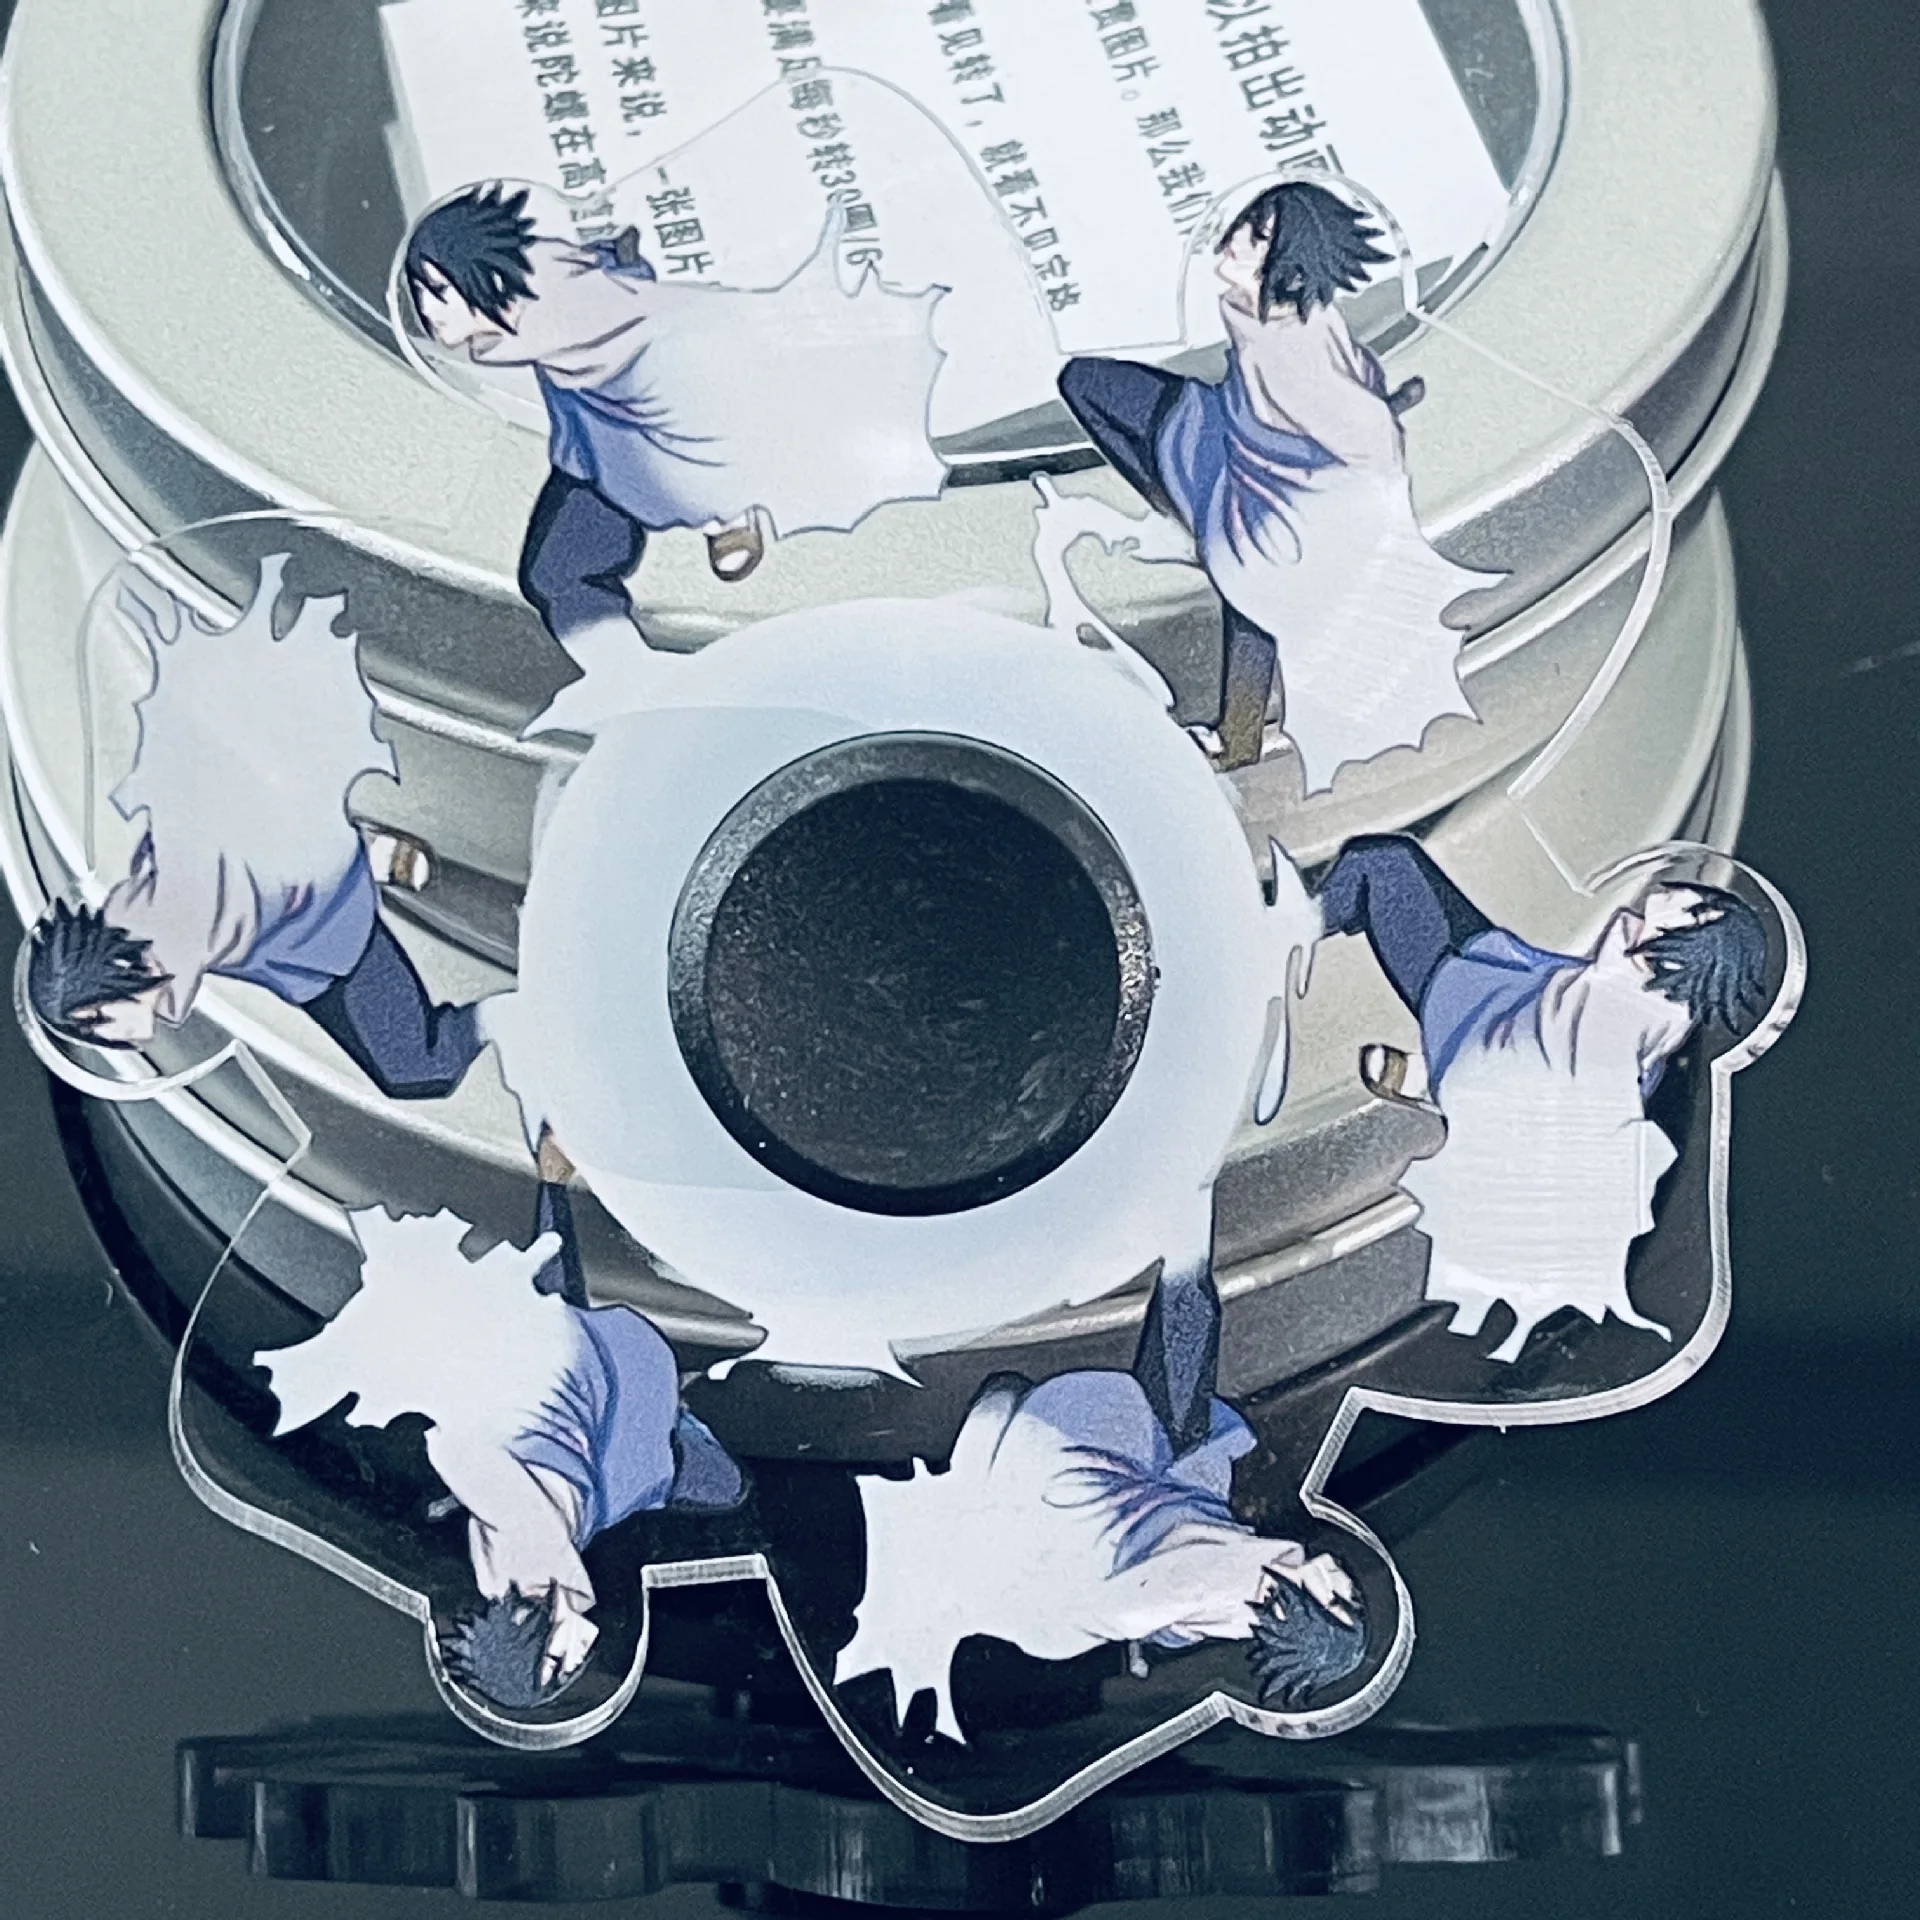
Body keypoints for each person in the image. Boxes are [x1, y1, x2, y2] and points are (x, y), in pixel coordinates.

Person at [1057, 182, 1500, 785]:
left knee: (1255, 586)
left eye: (1258, 235)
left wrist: (1361, 492)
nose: (1234, 240)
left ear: (1289, 261)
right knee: (1088, 383)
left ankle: (1238, 740)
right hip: (1222, 438)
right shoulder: (1280, 317)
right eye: (1244, 224)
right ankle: (1194, 525)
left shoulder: (1292, 348)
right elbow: (1358, 374)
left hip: (1280, 500)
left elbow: (1368, 433)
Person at [833, 1257, 1369, 1744]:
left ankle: (1184, 1249)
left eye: (1344, 1601)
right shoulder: (1261, 1585)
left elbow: (1127, 1608)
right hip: (1141, 1498)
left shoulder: (1234, 1585)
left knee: (1177, 1384)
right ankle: (1184, 1256)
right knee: (1182, 1406)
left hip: (1081, 1511)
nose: (1346, 1583)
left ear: (1309, 1617)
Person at [402, 184, 947, 662]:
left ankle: (723, 523)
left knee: (620, 532)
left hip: (662, 432)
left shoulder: (552, 309)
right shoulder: (530, 283)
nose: (429, 311)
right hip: (596, 446)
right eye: (423, 294)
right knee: (556, 572)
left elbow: (560, 321)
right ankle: (620, 672)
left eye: (438, 293)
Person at [254, 1193, 745, 1711]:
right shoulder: (532, 1583)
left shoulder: (524, 1558)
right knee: (715, 1482)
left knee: (575, 1331)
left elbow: (455, 1453)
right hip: (598, 1473)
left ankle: (557, 1194)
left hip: (575, 1413)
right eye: (565, 1675)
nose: (576, 1660)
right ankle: (677, 1403)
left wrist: (489, 1482)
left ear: (528, 1630)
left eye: (558, 1664)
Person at [23, 557, 484, 1104]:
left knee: (418, 1068)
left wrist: (346, 853)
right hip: (299, 960)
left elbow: (233, 847)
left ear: (103, 997)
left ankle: (512, 1018)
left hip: (327, 932)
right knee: (411, 1068)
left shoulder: (176, 928)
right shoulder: (148, 935)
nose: (120, 1039)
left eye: (102, 1025)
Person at [1312, 833, 1770, 1360]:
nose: (1666, 900)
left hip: (1470, 1007)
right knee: (1393, 871)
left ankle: (1276, 936)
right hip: (1502, 982)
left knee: (1383, 867)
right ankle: (1427, 1079)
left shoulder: (1622, 1015)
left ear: (1700, 937)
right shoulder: (1654, 994)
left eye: (1692, 908)